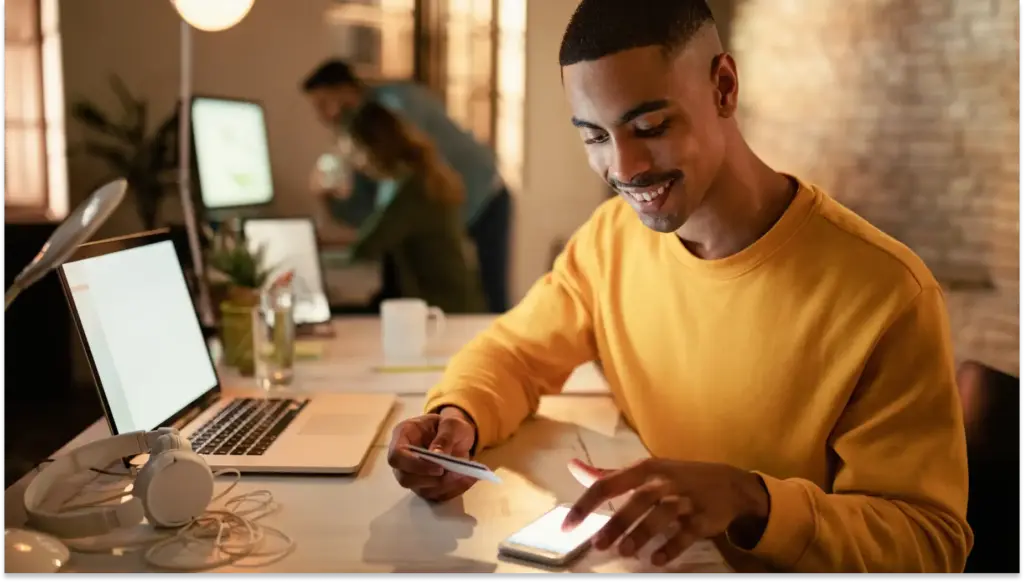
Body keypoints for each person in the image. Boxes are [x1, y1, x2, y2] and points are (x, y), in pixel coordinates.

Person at [384, 0, 972, 574]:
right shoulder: (611, 240)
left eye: (650, 126)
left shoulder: (888, 294)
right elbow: (514, 352)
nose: (625, 167)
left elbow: (929, 543)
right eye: (594, 137)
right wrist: (459, 418)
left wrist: (753, 501)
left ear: (724, 87)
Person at [302, 60, 511, 314]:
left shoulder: (395, 107)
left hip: (485, 194)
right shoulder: (368, 133)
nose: (323, 116)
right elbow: (368, 213)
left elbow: (387, 211)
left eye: (324, 104)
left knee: (489, 296)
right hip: (450, 199)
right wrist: (331, 201)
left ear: (346, 90)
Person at [337, 102, 487, 314]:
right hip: (452, 302)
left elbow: (366, 248)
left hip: (445, 310)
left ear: (372, 147)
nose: (356, 163)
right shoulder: (413, 176)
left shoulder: (410, 190)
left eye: (355, 152)